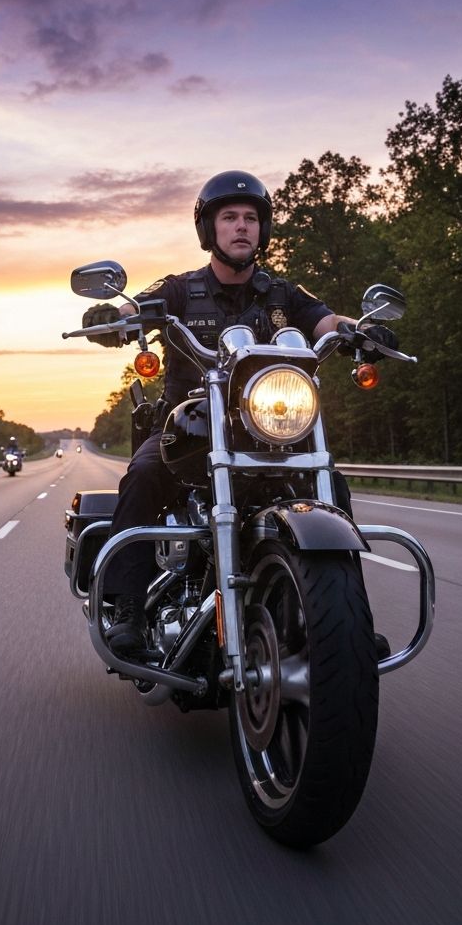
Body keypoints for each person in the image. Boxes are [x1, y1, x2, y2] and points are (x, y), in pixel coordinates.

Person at [81, 170, 396, 657]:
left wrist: (363, 330)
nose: (241, 226)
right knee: (143, 474)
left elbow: (328, 321)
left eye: (250, 217)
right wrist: (113, 318)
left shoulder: (283, 294)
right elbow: (136, 310)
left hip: (268, 431)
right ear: (209, 229)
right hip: (187, 427)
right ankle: (128, 609)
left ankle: (347, 620)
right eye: (229, 217)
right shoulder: (180, 290)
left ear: (262, 229)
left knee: (331, 485)